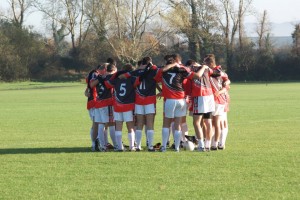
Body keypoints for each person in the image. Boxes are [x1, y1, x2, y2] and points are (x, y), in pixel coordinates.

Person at [156, 54, 210, 152]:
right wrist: (203, 67)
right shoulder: (182, 70)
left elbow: (160, 73)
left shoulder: (163, 71)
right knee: (178, 124)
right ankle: (177, 147)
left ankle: (163, 147)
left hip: (170, 100)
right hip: (181, 100)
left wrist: (171, 65)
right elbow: (197, 76)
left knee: (166, 124)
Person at [103, 63, 152, 151]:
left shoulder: (117, 79)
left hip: (117, 105)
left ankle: (119, 147)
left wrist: (116, 75)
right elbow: (140, 79)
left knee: (118, 126)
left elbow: (107, 83)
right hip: (128, 105)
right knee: (130, 126)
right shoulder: (132, 79)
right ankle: (131, 146)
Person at [204, 54, 230, 150]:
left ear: (210, 63)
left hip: (218, 100)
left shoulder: (215, 72)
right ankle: (212, 143)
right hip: (212, 100)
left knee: (216, 123)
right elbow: (227, 81)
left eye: (205, 62)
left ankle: (214, 144)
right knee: (211, 123)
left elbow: (227, 84)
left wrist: (219, 91)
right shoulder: (217, 72)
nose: (204, 65)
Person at [90, 63, 118, 151]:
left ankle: (102, 145)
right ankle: (116, 145)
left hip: (98, 103)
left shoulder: (98, 77)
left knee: (101, 124)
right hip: (107, 103)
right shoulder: (110, 77)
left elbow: (91, 85)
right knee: (112, 123)